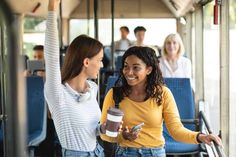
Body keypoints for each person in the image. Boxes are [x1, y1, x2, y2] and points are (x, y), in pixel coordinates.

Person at [100, 46, 222, 157]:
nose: (129, 72)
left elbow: (176, 130)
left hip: (155, 153)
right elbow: (104, 134)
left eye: (136, 67)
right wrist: (122, 136)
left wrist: (201, 137)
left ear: (148, 70)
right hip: (124, 152)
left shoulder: (163, 94)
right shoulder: (114, 95)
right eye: (126, 66)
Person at [44, 0, 105, 156]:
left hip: (98, 152)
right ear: (86, 62)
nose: (102, 65)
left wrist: (103, 129)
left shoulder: (92, 88)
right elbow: (51, 57)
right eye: (99, 60)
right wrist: (52, 9)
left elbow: (89, 130)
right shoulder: (58, 94)